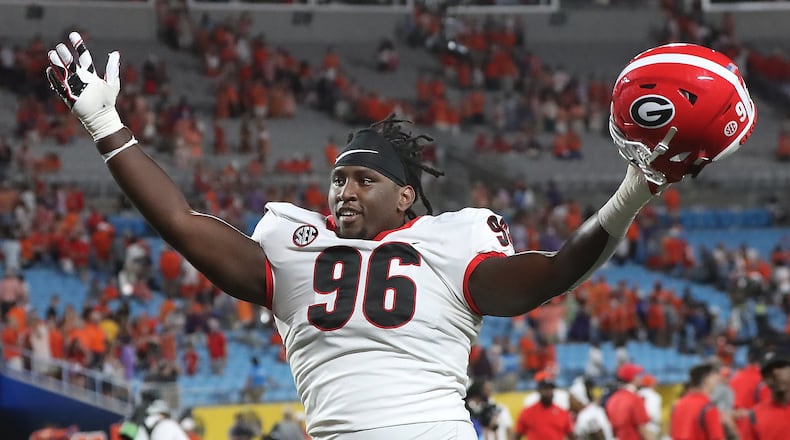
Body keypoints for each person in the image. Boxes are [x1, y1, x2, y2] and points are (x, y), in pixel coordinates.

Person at [46, 34, 756, 440]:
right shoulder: (295, 254)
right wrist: (106, 127)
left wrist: (636, 189)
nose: (343, 191)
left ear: (406, 195)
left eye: (363, 181)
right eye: (338, 180)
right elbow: (181, 222)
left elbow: (547, 276)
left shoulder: (453, 245)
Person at [669, 363, 726, 440]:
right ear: (706, 379)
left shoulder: (678, 405)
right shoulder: (708, 407)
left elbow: (673, 434)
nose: (717, 380)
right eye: (714, 376)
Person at [513, 371, 575, 440]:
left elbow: (571, 436)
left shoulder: (563, 413)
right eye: (545, 388)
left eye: (550, 388)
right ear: (538, 390)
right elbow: (516, 435)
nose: (548, 391)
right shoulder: (527, 413)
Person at [747, 350, 790, 440]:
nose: (775, 372)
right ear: (764, 380)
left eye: (780, 366)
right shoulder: (754, 415)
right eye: (768, 370)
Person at [605, 363, 654, 440]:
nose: (640, 378)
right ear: (633, 378)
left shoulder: (612, 399)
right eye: (638, 375)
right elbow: (643, 429)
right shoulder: (635, 399)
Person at [569, 376, 614, 440]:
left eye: (572, 398)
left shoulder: (589, 414)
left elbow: (599, 436)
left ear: (579, 400)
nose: (569, 402)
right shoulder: (589, 411)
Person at [637, 374, 662, 438]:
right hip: (650, 427)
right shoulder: (654, 396)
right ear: (651, 384)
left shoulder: (637, 393)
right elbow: (653, 413)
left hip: (638, 428)